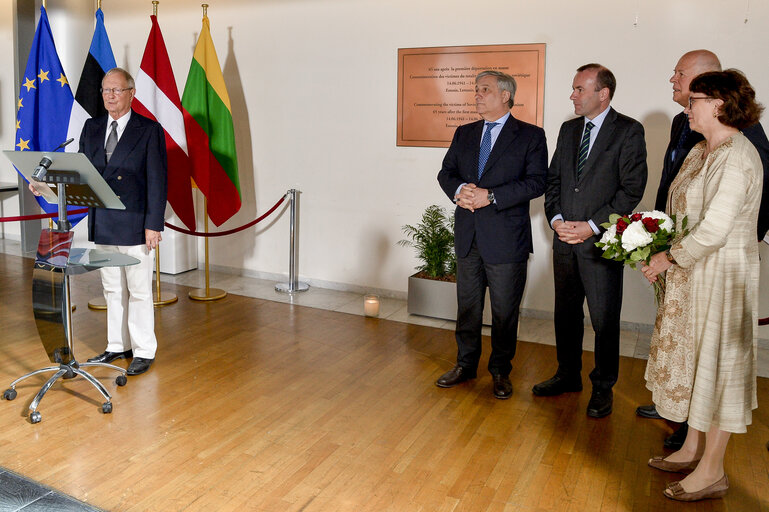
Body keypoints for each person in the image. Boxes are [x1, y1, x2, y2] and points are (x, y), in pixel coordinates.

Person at [635, 50, 769, 450]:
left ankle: (710, 469)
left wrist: (667, 257)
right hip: (691, 272)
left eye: (694, 98)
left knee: (715, 368)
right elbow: (679, 203)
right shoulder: (700, 148)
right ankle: (690, 446)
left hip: (720, 275)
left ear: (719, 103)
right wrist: (655, 238)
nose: (685, 100)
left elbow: (717, 227)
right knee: (692, 365)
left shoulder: (738, 153)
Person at [535, 64, 647, 418]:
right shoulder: (569, 130)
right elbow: (553, 182)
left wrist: (591, 226)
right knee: (565, 315)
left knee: (603, 319)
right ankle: (567, 375)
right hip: (564, 242)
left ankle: (603, 387)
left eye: (580, 89)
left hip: (600, 244)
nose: (573, 96)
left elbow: (631, 191)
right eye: (573, 89)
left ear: (603, 94)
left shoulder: (628, 131)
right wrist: (556, 221)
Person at [436, 70, 547, 399]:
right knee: (467, 307)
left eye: (484, 89)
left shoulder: (530, 135)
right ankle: (465, 364)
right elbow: (446, 172)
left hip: (506, 239)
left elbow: (537, 181)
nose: (477, 94)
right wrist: (460, 190)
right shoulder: (464, 133)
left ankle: (500, 370)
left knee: (504, 311)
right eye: (476, 89)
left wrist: (492, 195)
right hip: (468, 235)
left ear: (505, 96)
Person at [82, 68, 167, 376]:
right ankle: (117, 345)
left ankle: (144, 350)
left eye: (117, 90)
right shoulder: (91, 127)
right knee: (112, 289)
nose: (110, 96)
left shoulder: (148, 130)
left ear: (131, 93)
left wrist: (153, 224)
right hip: (104, 219)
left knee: (140, 289)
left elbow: (157, 180)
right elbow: (84, 174)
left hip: (135, 222)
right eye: (106, 90)